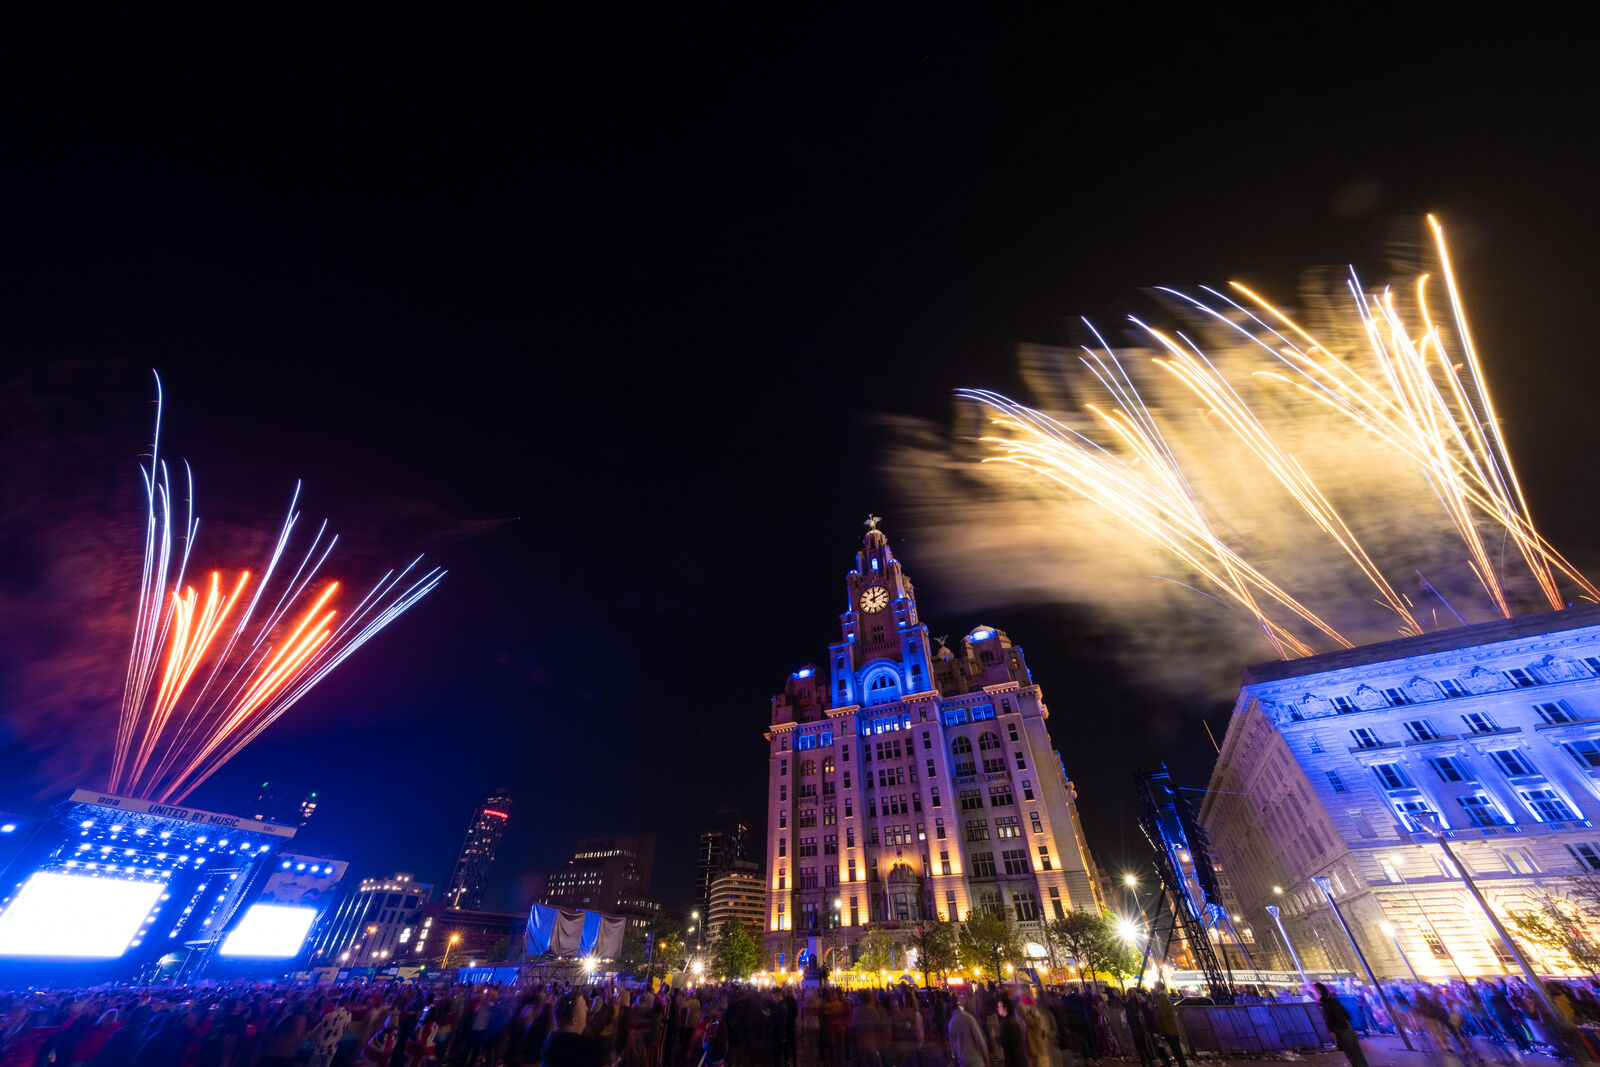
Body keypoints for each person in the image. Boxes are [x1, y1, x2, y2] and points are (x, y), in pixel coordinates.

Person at [542, 993, 608, 1067]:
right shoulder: (583, 1049)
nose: (587, 1009)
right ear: (574, 1020)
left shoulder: (550, 1040)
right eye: (584, 1006)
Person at [1316, 983, 1369, 1067]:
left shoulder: (1328, 1002)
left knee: (1352, 1054)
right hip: (1345, 1028)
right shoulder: (1331, 1001)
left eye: (1315, 991)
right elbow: (1346, 1014)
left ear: (1319, 991)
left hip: (1342, 1029)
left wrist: (1335, 1029)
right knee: (1356, 1053)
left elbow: (1333, 1017)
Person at [309, 998, 352, 1067]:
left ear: (337, 1003)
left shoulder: (328, 1015)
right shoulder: (349, 1016)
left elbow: (319, 1028)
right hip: (333, 1045)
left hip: (322, 1044)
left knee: (314, 1064)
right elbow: (346, 1028)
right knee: (326, 1065)